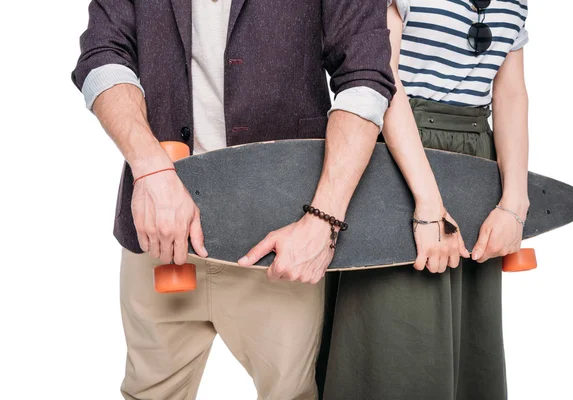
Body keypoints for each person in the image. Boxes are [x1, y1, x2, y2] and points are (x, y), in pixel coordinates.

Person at [71, 1, 405, 398]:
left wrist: (324, 218)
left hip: (283, 239)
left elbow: (365, 78)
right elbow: (102, 55)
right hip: (159, 230)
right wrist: (151, 169)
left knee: (290, 393)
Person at [320, 1, 530, 399]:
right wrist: (429, 204)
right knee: (395, 338)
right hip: (402, 155)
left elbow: (511, 93)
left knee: (470, 343)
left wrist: (513, 205)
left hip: (476, 162)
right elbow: (381, 77)